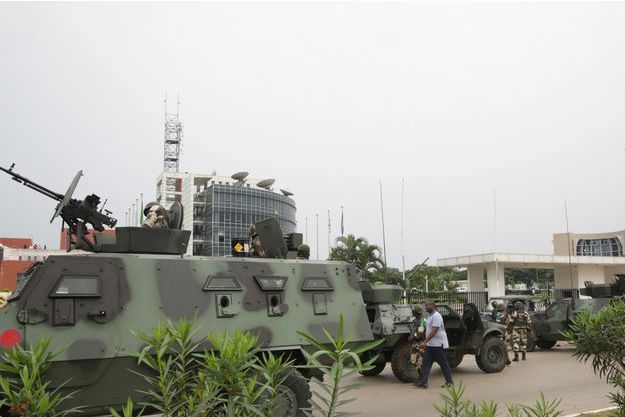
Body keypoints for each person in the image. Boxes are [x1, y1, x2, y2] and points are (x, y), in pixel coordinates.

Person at [415, 300, 453, 389]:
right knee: (426, 363)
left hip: (439, 345)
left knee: (443, 364)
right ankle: (423, 382)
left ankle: (449, 382)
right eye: (425, 306)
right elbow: (427, 329)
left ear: (433, 306)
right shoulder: (429, 315)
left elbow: (434, 331)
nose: (426, 307)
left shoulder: (437, 316)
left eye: (428, 305)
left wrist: (425, 342)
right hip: (430, 345)